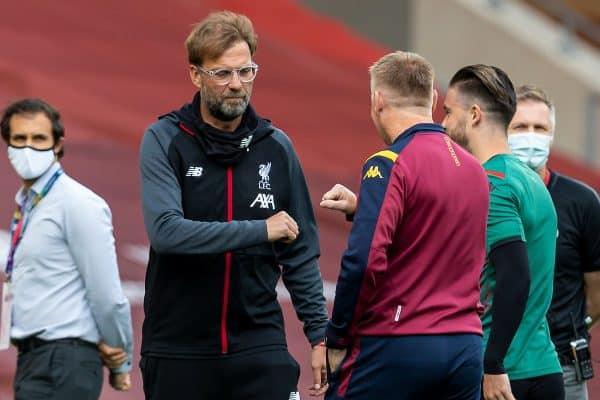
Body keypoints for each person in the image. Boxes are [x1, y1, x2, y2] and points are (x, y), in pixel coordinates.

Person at [139, 11, 328, 400]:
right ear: (196, 75)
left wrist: (320, 334)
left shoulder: (277, 147)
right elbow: (167, 233)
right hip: (178, 349)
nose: (236, 85)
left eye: (246, 72)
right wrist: (260, 229)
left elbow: (300, 252)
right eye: (222, 74)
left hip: (260, 345)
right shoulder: (164, 140)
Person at [319, 51, 490, 400]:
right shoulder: (475, 169)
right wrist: (361, 207)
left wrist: (338, 337)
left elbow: (364, 260)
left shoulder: (388, 163)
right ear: (432, 98)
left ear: (378, 100)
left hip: (399, 343)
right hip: (465, 346)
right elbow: (437, 224)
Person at [442, 65, 564, 400]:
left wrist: (494, 364)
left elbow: (516, 276)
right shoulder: (530, 181)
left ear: (475, 114)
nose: (444, 123)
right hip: (542, 365)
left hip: (507, 375)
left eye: (448, 112)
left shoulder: (494, 185)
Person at [0, 98, 134, 399]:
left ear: (58, 144)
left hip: (64, 362)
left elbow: (107, 294)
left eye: (38, 139)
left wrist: (120, 358)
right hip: (33, 358)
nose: (28, 148)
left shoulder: (78, 204)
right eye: (19, 139)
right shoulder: (30, 204)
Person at [507, 84, 600, 400]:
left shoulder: (582, 202)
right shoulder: (483, 191)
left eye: (539, 127)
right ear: (503, 130)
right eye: (520, 126)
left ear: (551, 134)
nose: (531, 135)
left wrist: (565, 331)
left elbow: (596, 290)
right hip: (497, 366)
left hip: (564, 368)